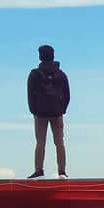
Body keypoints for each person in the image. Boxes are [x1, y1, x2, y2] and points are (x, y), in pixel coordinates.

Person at [27, 44, 70, 178]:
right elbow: (67, 94)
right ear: (53, 55)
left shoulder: (35, 74)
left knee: (40, 142)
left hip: (40, 114)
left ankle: (39, 169)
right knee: (59, 142)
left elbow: (30, 94)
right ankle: (62, 171)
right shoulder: (61, 74)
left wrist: (34, 110)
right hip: (57, 113)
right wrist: (62, 109)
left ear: (40, 56)